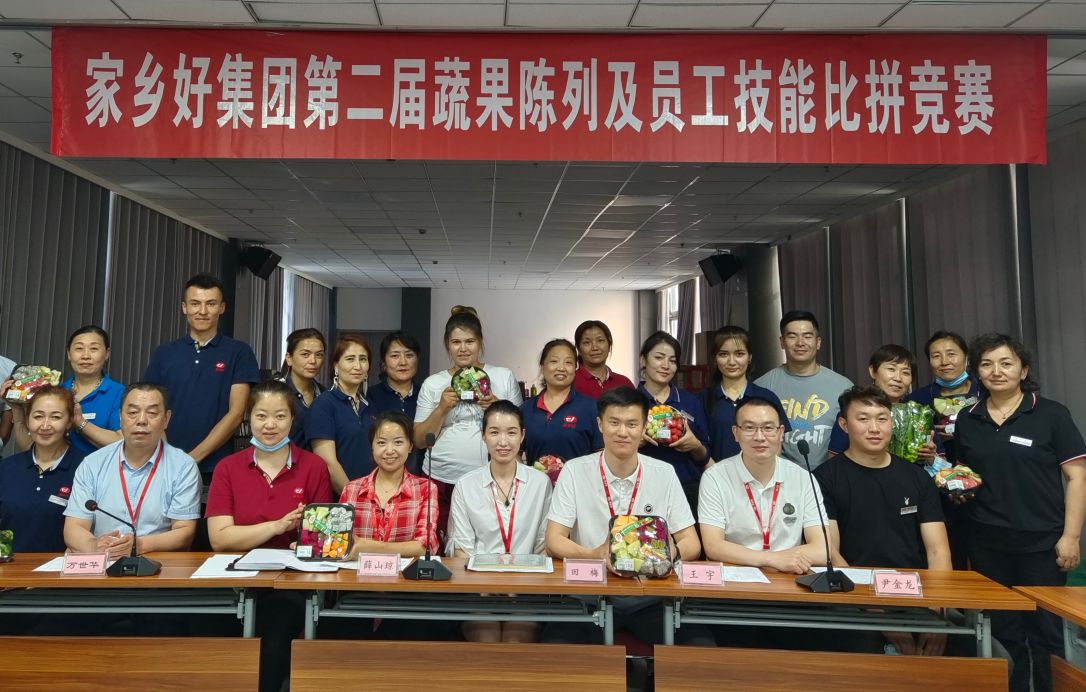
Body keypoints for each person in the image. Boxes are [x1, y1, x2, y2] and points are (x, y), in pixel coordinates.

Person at [955, 333, 1086, 692]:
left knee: (1047, 634)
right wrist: (959, 488)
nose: (996, 371)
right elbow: (966, 473)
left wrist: (1071, 537)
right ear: (977, 372)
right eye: (986, 364)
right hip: (987, 543)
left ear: (1023, 370)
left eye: (1006, 363)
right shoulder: (968, 418)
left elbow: (1077, 478)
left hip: (1042, 543)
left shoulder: (1052, 414)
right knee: (1002, 632)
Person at [543, 386, 712, 646]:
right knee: (555, 649)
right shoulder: (575, 471)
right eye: (614, 423)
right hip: (589, 594)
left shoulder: (664, 473)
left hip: (651, 597)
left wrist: (672, 552)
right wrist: (596, 555)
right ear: (600, 424)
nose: (623, 432)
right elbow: (554, 539)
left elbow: (692, 542)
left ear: (644, 428)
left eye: (632, 424)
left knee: (700, 647)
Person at [205, 380, 332, 692]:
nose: (270, 425)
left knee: (274, 638)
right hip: (234, 580)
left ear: (292, 419)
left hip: (290, 583)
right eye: (261, 416)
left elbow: (321, 540)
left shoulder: (314, 467)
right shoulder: (228, 468)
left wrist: (304, 542)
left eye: (280, 416)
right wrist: (277, 527)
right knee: (205, 631)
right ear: (248, 418)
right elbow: (220, 538)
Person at [815, 385, 951, 657]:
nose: (874, 428)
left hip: (914, 597)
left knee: (987, 659)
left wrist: (937, 615)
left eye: (882, 418)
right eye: (863, 419)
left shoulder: (917, 478)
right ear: (844, 425)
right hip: (854, 599)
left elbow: (938, 552)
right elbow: (831, 554)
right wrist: (880, 617)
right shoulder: (825, 478)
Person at [447, 400, 552, 642]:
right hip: (478, 590)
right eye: (494, 432)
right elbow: (461, 549)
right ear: (483, 435)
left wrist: (519, 586)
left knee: (515, 641)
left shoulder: (540, 483)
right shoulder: (466, 485)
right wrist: (485, 586)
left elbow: (543, 546)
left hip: (527, 590)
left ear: (522, 435)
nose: (503, 442)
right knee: (487, 640)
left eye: (511, 433)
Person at [414, 306, 522, 539]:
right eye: (456, 342)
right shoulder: (433, 383)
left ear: (480, 342)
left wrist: (497, 407)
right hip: (441, 478)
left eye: (470, 341)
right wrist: (442, 409)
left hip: (493, 477)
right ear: (447, 345)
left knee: (490, 540)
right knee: (441, 541)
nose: (463, 348)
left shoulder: (503, 376)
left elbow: (522, 432)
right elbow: (419, 440)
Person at [63, 383, 202, 558]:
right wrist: (94, 545)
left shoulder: (183, 466)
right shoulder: (93, 464)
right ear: (120, 417)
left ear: (166, 419)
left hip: (157, 563)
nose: (141, 420)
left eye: (152, 413)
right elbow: (74, 527)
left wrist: (138, 545)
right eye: (133, 412)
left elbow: (185, 532)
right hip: (103, 561)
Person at [143, 273, 259, 478]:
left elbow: (236, 413)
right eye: (195, 304)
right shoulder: (164, 353)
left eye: (211, 304)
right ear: (184, 307)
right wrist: (169, 456)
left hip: (217, 467)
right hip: (164, 464)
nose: (203, 311)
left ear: (222, 307)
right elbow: (152, 407)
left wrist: (191, 459)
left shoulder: (239, 352)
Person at [698, 397, 829, 574]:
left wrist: (779, 561)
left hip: (789, 578)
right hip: (735, 577)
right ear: (735, 433)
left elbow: (822, 550)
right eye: (749, 428)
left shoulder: (803, 479)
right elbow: (713, 546)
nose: (759, 437)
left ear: (781, 432)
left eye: (768, 428)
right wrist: (773, 560)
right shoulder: (715, 477)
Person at [755, 310, 853, 468]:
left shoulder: (844, 388)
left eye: (807, 336)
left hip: (829, 477)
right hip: (778, 476)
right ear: (782, 342)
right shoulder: (762, 386)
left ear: (818, 342)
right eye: (792, 336)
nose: (800, 343)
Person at [338, 411, 439, 559]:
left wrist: (368, 547)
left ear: (410, 446)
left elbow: (424, 546)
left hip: (406, 573)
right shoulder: (352, 489)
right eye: (381, 443)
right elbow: (339, 541)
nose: (390, 451)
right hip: (357, 573)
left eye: (398, 442)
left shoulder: (425, 489)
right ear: (372, 446)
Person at [0, 386, 85, 552]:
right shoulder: (6, 468)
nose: (45, 425)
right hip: (10, 566)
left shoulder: (86, 468)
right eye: (38, 416)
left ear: (69, 421)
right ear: (27, 420)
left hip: (62, 566)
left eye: (56, 417)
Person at [636, 331, 711, 514]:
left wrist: (695, 446)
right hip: (641, 488)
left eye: (672, 360)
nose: (666, 365)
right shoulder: (630, 401)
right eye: (659, 357)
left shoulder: (690, 402)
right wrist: (635, 442)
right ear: (643, 360)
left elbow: (705, 455)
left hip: (686, 487)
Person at [826, 344, 938, 461]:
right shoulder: (854, 411)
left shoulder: (920, 415)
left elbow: (942, 464)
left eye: (905, 373)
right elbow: (834, 459)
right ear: (873, 371)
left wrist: (931, 458)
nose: (898, 378)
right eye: (891, 369)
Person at [700, 326, 789, 463]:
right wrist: (715, 473)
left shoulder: (767, 398)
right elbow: (698, 447)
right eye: (723, 354)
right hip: (715, 473)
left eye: (739, 354)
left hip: (760, 473)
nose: (731, 362)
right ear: (715, 359)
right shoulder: (701, 400)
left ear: (750, 357)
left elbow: (776, 445)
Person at [307, 336, 376, 495]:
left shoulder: (370, 405)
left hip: (372, 495)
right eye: (350, 359)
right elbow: (328, 463)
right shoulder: (323, 404)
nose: (357, 366)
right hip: (340, 500)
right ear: (336, 366)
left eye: (363, 359)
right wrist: (355, 499)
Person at [520, 338, 602, 466]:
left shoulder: (591, 408)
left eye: (568, 362)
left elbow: (601, 455)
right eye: (554, 361)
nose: (561, 368)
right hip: (537, 480)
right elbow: (515, 454)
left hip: (579, 479)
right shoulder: (526, 410)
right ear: (542, 366)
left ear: (575, 369)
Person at [906, 330, 981, 462]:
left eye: (951, 354)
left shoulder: (986, 393)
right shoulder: (916, 400)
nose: (944, 362)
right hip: (936, 471)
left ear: (967, 358)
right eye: (936, 356)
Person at [276, 328, 326, 450]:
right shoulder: (275, 392)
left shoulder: (325, 395)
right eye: (305, 354)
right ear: (289, 358)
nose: (313, 361)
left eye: (319, 355)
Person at [572, 319, 635, 399]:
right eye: (587, 342)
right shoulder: (570, 381)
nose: (595, 347)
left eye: (600, 341)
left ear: (609, 344)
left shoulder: (624, 383)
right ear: (578, 348)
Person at [367, 331, 421, 419]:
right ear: (383, 363)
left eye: (409, 355)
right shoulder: (370, 395)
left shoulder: (425, 395)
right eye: (395, 356)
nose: (403, 362)